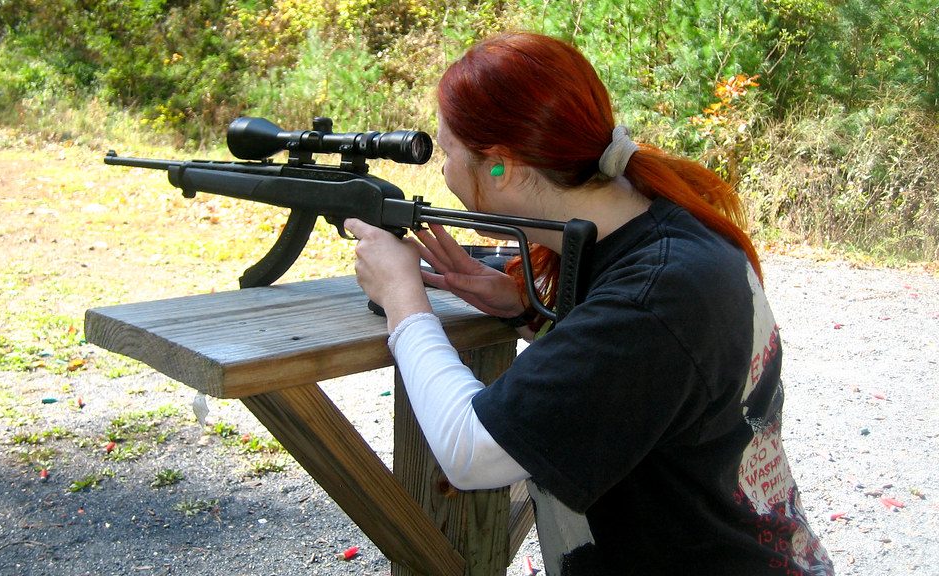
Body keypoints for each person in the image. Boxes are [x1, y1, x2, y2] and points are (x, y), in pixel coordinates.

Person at [343, 32, 833, 576]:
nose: (444, 170)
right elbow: (630, 377)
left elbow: (471, 451)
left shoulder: (653, 297)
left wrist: (403, 300)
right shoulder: (659, 233)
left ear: (501, 166)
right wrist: (525, 309)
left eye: (448, 152)